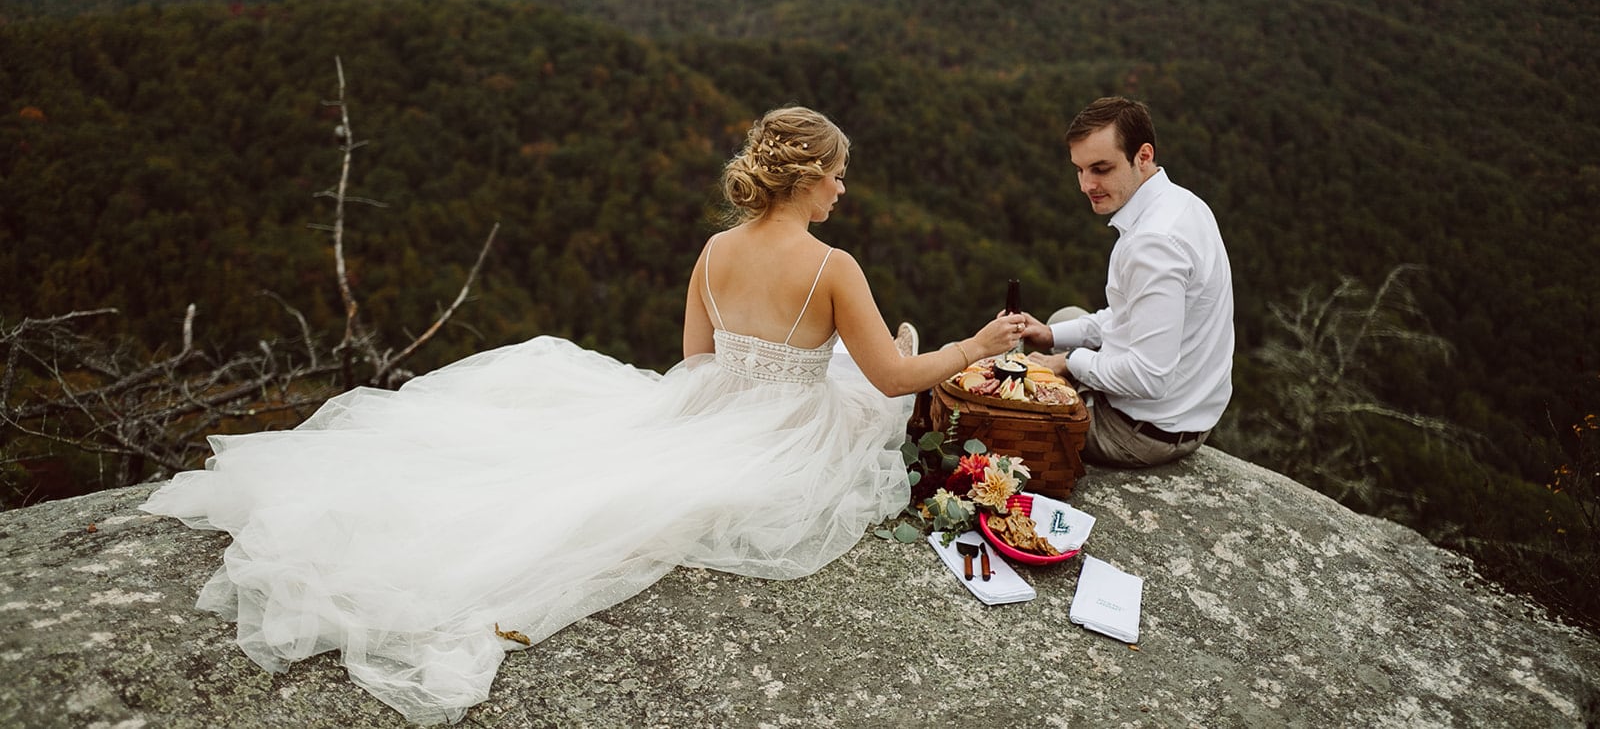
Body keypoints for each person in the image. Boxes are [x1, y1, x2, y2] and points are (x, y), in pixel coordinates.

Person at [141, 105, 1021, 726]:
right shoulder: (834, 267)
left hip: (710, 403)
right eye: (839, 177)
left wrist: (733, 400)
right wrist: (977, 343)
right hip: (786, 424)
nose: (843, 193)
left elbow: (694, 361)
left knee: (574, 473)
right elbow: (897, 374)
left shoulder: (717, 248)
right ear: (814, 177)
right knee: (862, 389)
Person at [1018, 96, 1234, 468]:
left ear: (1143, 156)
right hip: (1188, 410)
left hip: (1140, 432)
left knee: (1004, 403)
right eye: (1080, 169)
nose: (1087, 184)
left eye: (1101, 168)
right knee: (1062, 320)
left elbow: (1150, 377)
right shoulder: (1185, 203)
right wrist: (1053, 340)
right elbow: (1127, 316)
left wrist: (1069, 363)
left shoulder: (1153, 244)